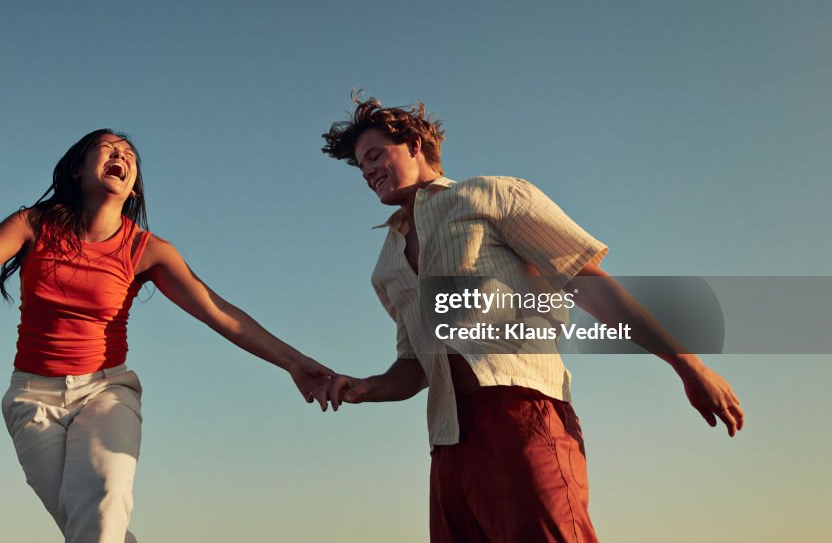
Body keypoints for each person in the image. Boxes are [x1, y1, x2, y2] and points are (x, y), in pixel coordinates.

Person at [314, 97, 745, 543]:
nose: (367, 172)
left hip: (521, 413)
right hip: (446, 443)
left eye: (375, 155)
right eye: (361, 166)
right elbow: (415, 364)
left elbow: (588, 284)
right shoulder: (385, 264)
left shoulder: (490, 196)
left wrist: (687, 365)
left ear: (415, 145)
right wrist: (364, 387)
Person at [0, 129, 332, 543]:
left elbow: (219, 313)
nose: (121, 154)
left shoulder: (147, 250)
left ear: (133, 188)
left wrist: (293, 363)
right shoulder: (33, 224)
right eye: (108, 148)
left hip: (105, 390)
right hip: (32, 398)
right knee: (92, 528)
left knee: (103, 507)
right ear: (77, 170)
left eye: (129, 155)